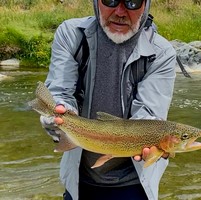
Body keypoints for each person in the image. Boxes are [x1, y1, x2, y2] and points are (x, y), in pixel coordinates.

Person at [40, 0, 177, 199]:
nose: (120, 11)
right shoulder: (71, 34)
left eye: (132, 2)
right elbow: (60, 91)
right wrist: (59, 112)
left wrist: (150, 143)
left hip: (135, 183)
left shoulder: (162, 53)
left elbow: (149, 114)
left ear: (146, 5)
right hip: (78, 179)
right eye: (110, 0)